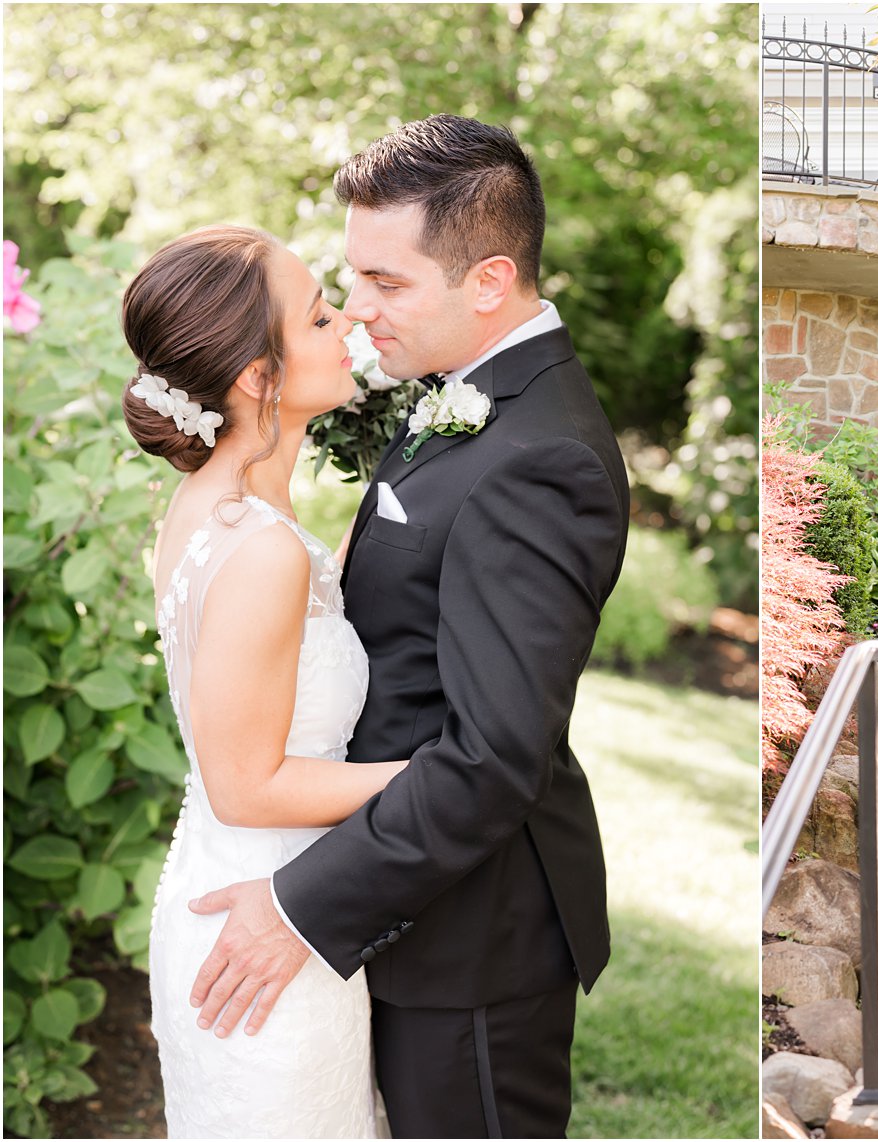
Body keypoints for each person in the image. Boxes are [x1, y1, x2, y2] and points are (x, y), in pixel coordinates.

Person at [183, 115, 630, 1138]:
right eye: (353, 278)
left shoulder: (539, 456)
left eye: (386, 283)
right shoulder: (462, 397)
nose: (357, 310)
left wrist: (302, 903)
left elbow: (493, 754)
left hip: (473, 941)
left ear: (487, 281)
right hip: (417, 909)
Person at [126, 224, 399, 1136]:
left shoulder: (215, 507)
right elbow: (248, 785)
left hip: (250, 892)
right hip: (263, 922)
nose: (349, 326)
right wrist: (438, 780)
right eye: (321, 318)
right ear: (258, 377)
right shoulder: (258, 547)